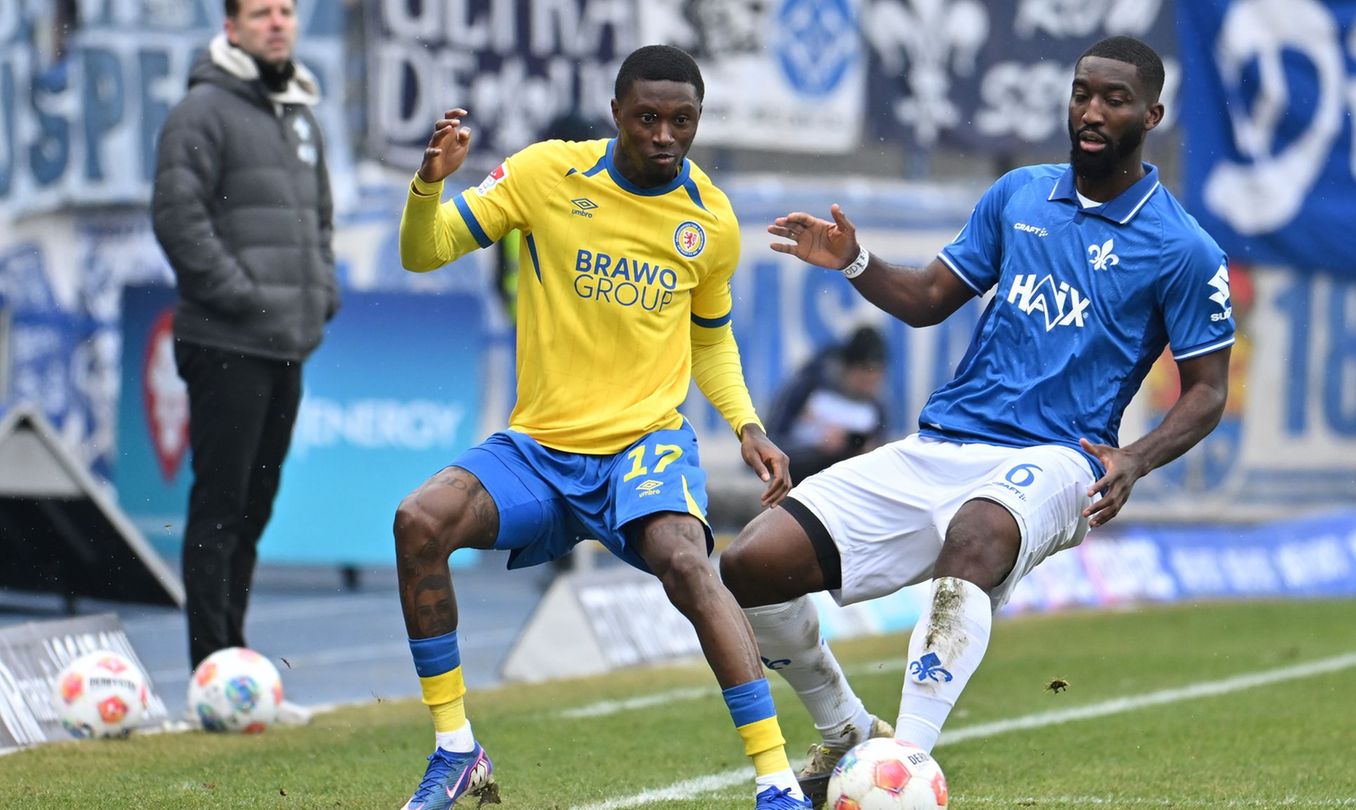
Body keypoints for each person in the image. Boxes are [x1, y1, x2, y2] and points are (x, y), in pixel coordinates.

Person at [719, 35, 1234, 805]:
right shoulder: (1018, 195)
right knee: (750, 564)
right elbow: (929, 299)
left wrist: (1135, 458)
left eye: (1114, 99)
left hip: (1062, 458)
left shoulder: (1184, 249)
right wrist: (858, 264)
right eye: (1082, 92)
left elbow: (1207, 391)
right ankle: (850, 736)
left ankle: (905, 769)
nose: (1092, 111)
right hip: (943, 443)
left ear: (1152, 114)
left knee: (978, 532)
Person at [393, 45, 811, 810]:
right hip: (540, 447)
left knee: (686, 563)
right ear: (616, 112)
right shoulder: (547, 173)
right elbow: (425, 252)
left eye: (681, 120)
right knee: (419, 521)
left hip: (643, 444)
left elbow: (709, 336)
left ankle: (775, 783)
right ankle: (456, 752)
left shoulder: (710, 220)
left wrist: (746, 425)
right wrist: (429, 186)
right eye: (647, 117)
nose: (664, 135)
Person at [151, 0, 337, 726]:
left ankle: (235, 667)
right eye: (261, 12)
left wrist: (320, 295)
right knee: (220, 508)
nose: (278, 22)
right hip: (227, 341)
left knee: (253, 512)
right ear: (231, 28)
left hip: (285, 342)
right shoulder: (201, 110)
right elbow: (177, 218)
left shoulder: (298, 111)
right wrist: (248, 298)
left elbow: (318, 221)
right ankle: (212, 678)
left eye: (287, 10)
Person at [768, 325, 888, 484]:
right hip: (800, 474)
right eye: (862, 379)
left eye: (873, 381)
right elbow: (771, 442)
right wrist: (818, 445)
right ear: (848, 368)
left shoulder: (876, 405)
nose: (866, 388)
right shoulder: (808, 384)